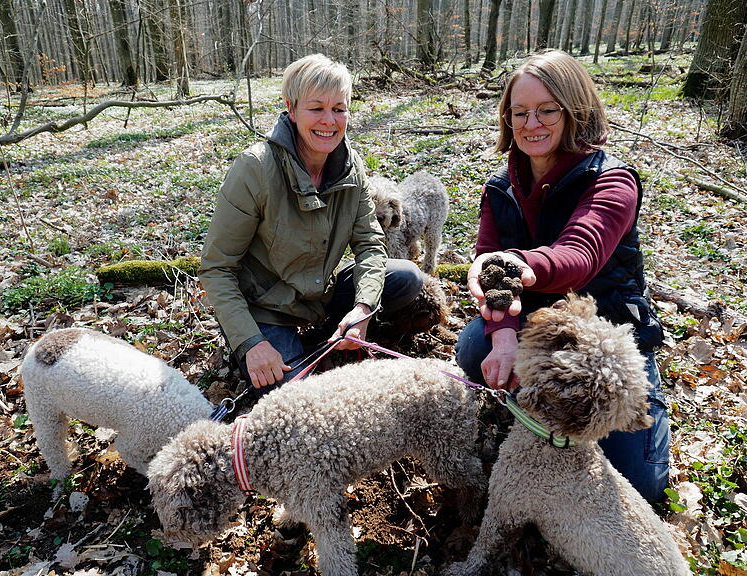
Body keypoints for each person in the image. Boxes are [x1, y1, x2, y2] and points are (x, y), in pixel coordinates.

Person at [455, 50, 670, 502]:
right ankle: (532, 403)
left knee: (638, 484)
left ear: (575, 110)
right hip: (542, 325)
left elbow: (579, 256)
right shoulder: (500, 187)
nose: (532, 123)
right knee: (476, 347)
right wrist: (504, 336)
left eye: (547, 109)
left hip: (609, 333)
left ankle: (644, 404)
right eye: (520, 113)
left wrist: (518, 263)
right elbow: (492, 273)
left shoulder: (611, 181)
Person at [199, 53, 423, 393]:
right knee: (292, 398)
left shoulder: (351, 167)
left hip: (320, 296)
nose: (329, 121)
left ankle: (326, 336)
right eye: (316, 108)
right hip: (265, 309)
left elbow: (370, 245)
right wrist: (251, 343)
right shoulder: (255, 168)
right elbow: (217, 268)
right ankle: (279, 346)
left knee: (407, 277)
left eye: (339, 108)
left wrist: (362, 309)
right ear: (292, 109)